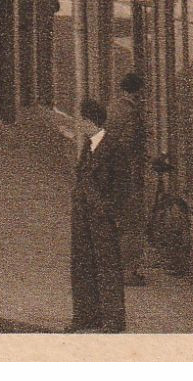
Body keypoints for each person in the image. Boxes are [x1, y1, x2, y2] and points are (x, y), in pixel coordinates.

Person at [69, 98, 126, 333]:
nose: (78, 124)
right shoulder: (89, 145)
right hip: (83, 217)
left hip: (101, 218)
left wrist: (108, 211)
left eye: (81, 120)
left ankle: (113, 320)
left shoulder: (113, 147)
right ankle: (86, 316)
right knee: (82, 265)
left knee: (107, 267)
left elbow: (123, 186)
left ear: (89, 121)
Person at [106, 73, 149, 285]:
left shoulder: (112, 109)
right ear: (138, 91)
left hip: (111, 174)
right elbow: (129, 144)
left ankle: (113, 268)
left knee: (118, 220)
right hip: (128, 173)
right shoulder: (132, 113)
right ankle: (128, 272)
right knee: (133, 222)